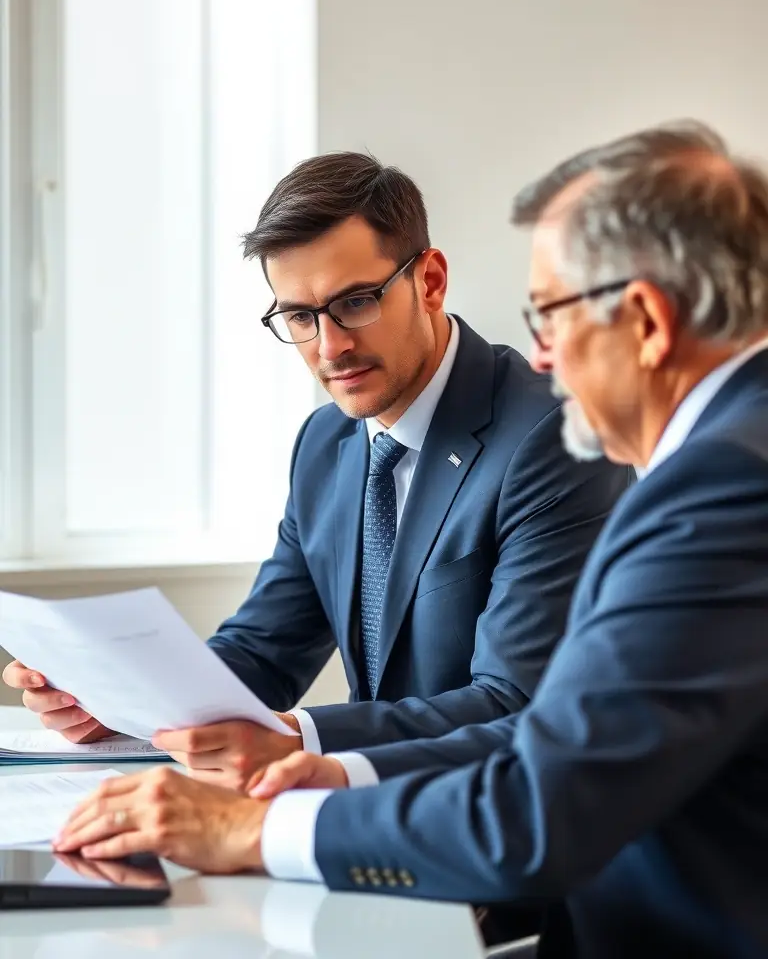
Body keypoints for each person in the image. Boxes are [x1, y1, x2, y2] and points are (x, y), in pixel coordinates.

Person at [54, 121, 768, 958]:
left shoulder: (719, 486)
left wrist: (262, 828)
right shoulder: (725, 461)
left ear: (644, 320)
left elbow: (537, 791)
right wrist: (327, 768)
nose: (542, 357)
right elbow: (561, 738)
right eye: (298, 317)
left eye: (550, 316)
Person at [3, 152, 629, 789]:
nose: (330, 348)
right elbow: (262, 650)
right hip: (371, 816)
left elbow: (515, 701)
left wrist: (294, 736)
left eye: (355, 302)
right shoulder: (326, 441)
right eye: (300, 317)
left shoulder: (555, 437)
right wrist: (121, 703)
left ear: (431, 281)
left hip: (498, 826)